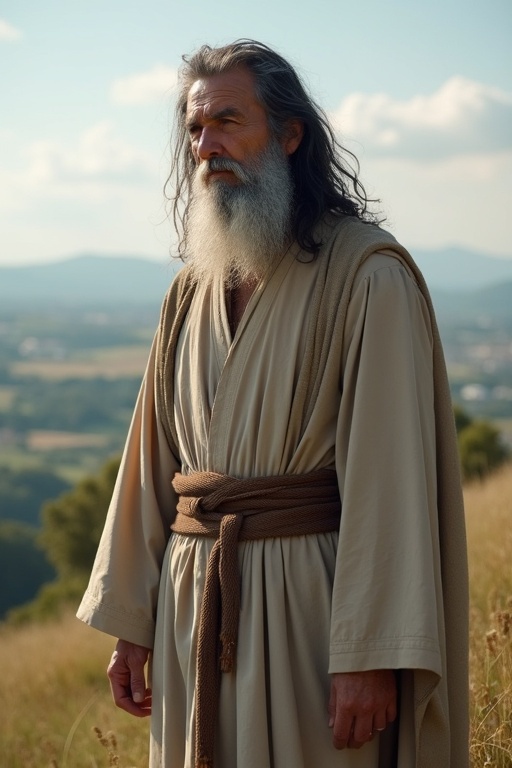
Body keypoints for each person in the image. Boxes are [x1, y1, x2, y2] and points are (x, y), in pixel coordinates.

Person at [77, 39, 469, 768]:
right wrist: (133, 623)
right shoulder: (189, 292)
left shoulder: (367, 276)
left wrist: (370, 654)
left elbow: (390, 482)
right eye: (195, 129)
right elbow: (149, 468)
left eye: (229, 121)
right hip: (193, 610)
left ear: (290, 136)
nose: (207, 145)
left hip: (312, 622)